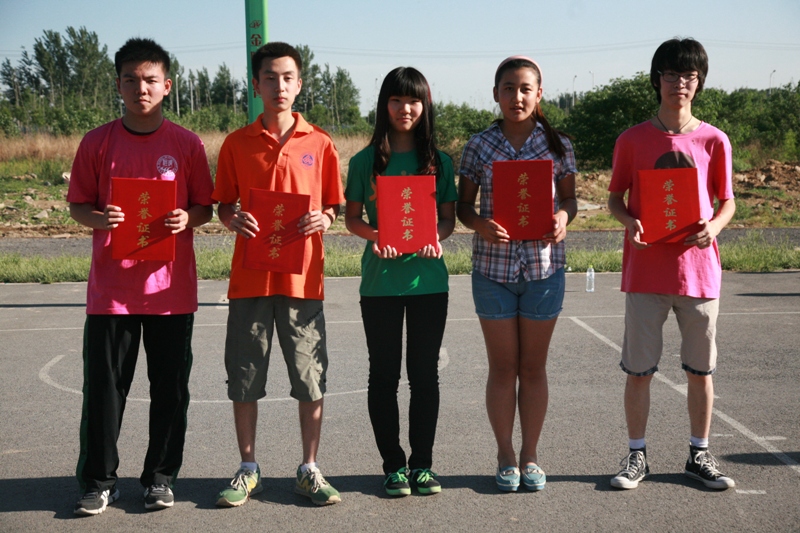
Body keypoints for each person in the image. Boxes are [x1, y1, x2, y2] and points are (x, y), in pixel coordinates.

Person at [68, 38, 215, 515]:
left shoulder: (187, 144)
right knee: (105, 390)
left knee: (170, 390)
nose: (141, 88)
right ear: (118, 85)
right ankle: (98, 480)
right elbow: (78, 205)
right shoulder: (97, 142)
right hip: (112, 293)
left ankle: (160, 478)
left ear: (167, 86)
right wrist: (100, 219)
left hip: (171, 292)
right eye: (130, 80)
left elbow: (205, 206)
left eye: (150, 79)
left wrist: (186, 218)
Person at [213, 41, 344, 507]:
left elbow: (333, 206)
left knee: (309, 376)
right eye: (270, 78)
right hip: (250, 279)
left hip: (302, 280)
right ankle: (248, 468)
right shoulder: (236, 143)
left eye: (288, 77)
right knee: (245, 375)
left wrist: (324, 218)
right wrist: (233, 219)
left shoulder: (320, 143)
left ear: (300, 83)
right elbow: (223, 204)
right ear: (256, 84)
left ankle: (309, 467)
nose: (279, 86)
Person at [607, 38, 736, 491]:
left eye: (688, 76)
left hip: (699, 273)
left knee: (700, 372)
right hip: (646, 273)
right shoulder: (632, 139)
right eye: (670, 74)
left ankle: (699, 455)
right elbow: (615, 198)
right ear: (656, 79)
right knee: (639, 371)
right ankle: (636, 455)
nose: (679, 83)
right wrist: (630, 222)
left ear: (699, 82)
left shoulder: (715, 139)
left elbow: (727, 201)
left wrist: (714, 227)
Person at [457, 56, 577, 492]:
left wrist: (563, 218)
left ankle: (531, 455)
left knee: (534, 367)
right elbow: (463, 207)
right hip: (494, 270)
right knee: (503, 367)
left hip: (544, 269)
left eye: (526, 88)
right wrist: (480, 224)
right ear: (496, 94)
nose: (517, 97)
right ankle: (505, 453)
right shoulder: (479, 145)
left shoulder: (558, 145)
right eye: (508, 88)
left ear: (539, 93)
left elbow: (570, 200)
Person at [344, 67, 456, 497]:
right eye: (396, 100)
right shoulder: (364, 161)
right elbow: (352, 218)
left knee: (424, 376)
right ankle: (393, 466)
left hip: (428, 282)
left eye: (413, 100)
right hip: (380, 285)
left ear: (425, 105)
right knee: (384, 376)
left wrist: (436, 239)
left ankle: (422, 465)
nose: (405, 108)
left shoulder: (439, 162)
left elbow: (447, 221)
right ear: (384, 105)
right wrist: (377, 237)